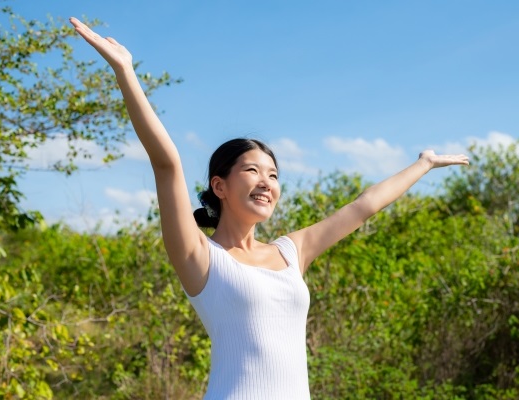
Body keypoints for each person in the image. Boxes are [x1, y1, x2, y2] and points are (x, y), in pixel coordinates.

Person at [69, 17, 469, 400]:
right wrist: (126, 71)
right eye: (253, 171)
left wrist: (424, 163)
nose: (266, 183)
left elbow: (363, 207)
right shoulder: (200, 256)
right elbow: (166, 163)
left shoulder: (291, 251)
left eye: (274, 175)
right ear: (219, 186)